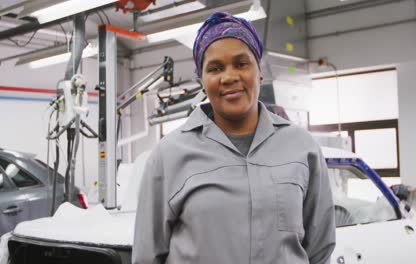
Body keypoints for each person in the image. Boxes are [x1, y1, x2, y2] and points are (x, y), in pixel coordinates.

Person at [132, 11, 336, 264]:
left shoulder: (301, 148)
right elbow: (147, 256)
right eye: (215, 68)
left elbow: (319, 249)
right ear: (203, 81)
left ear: (258, 72)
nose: (229, 77)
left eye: (241, 64)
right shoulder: (168, 155)